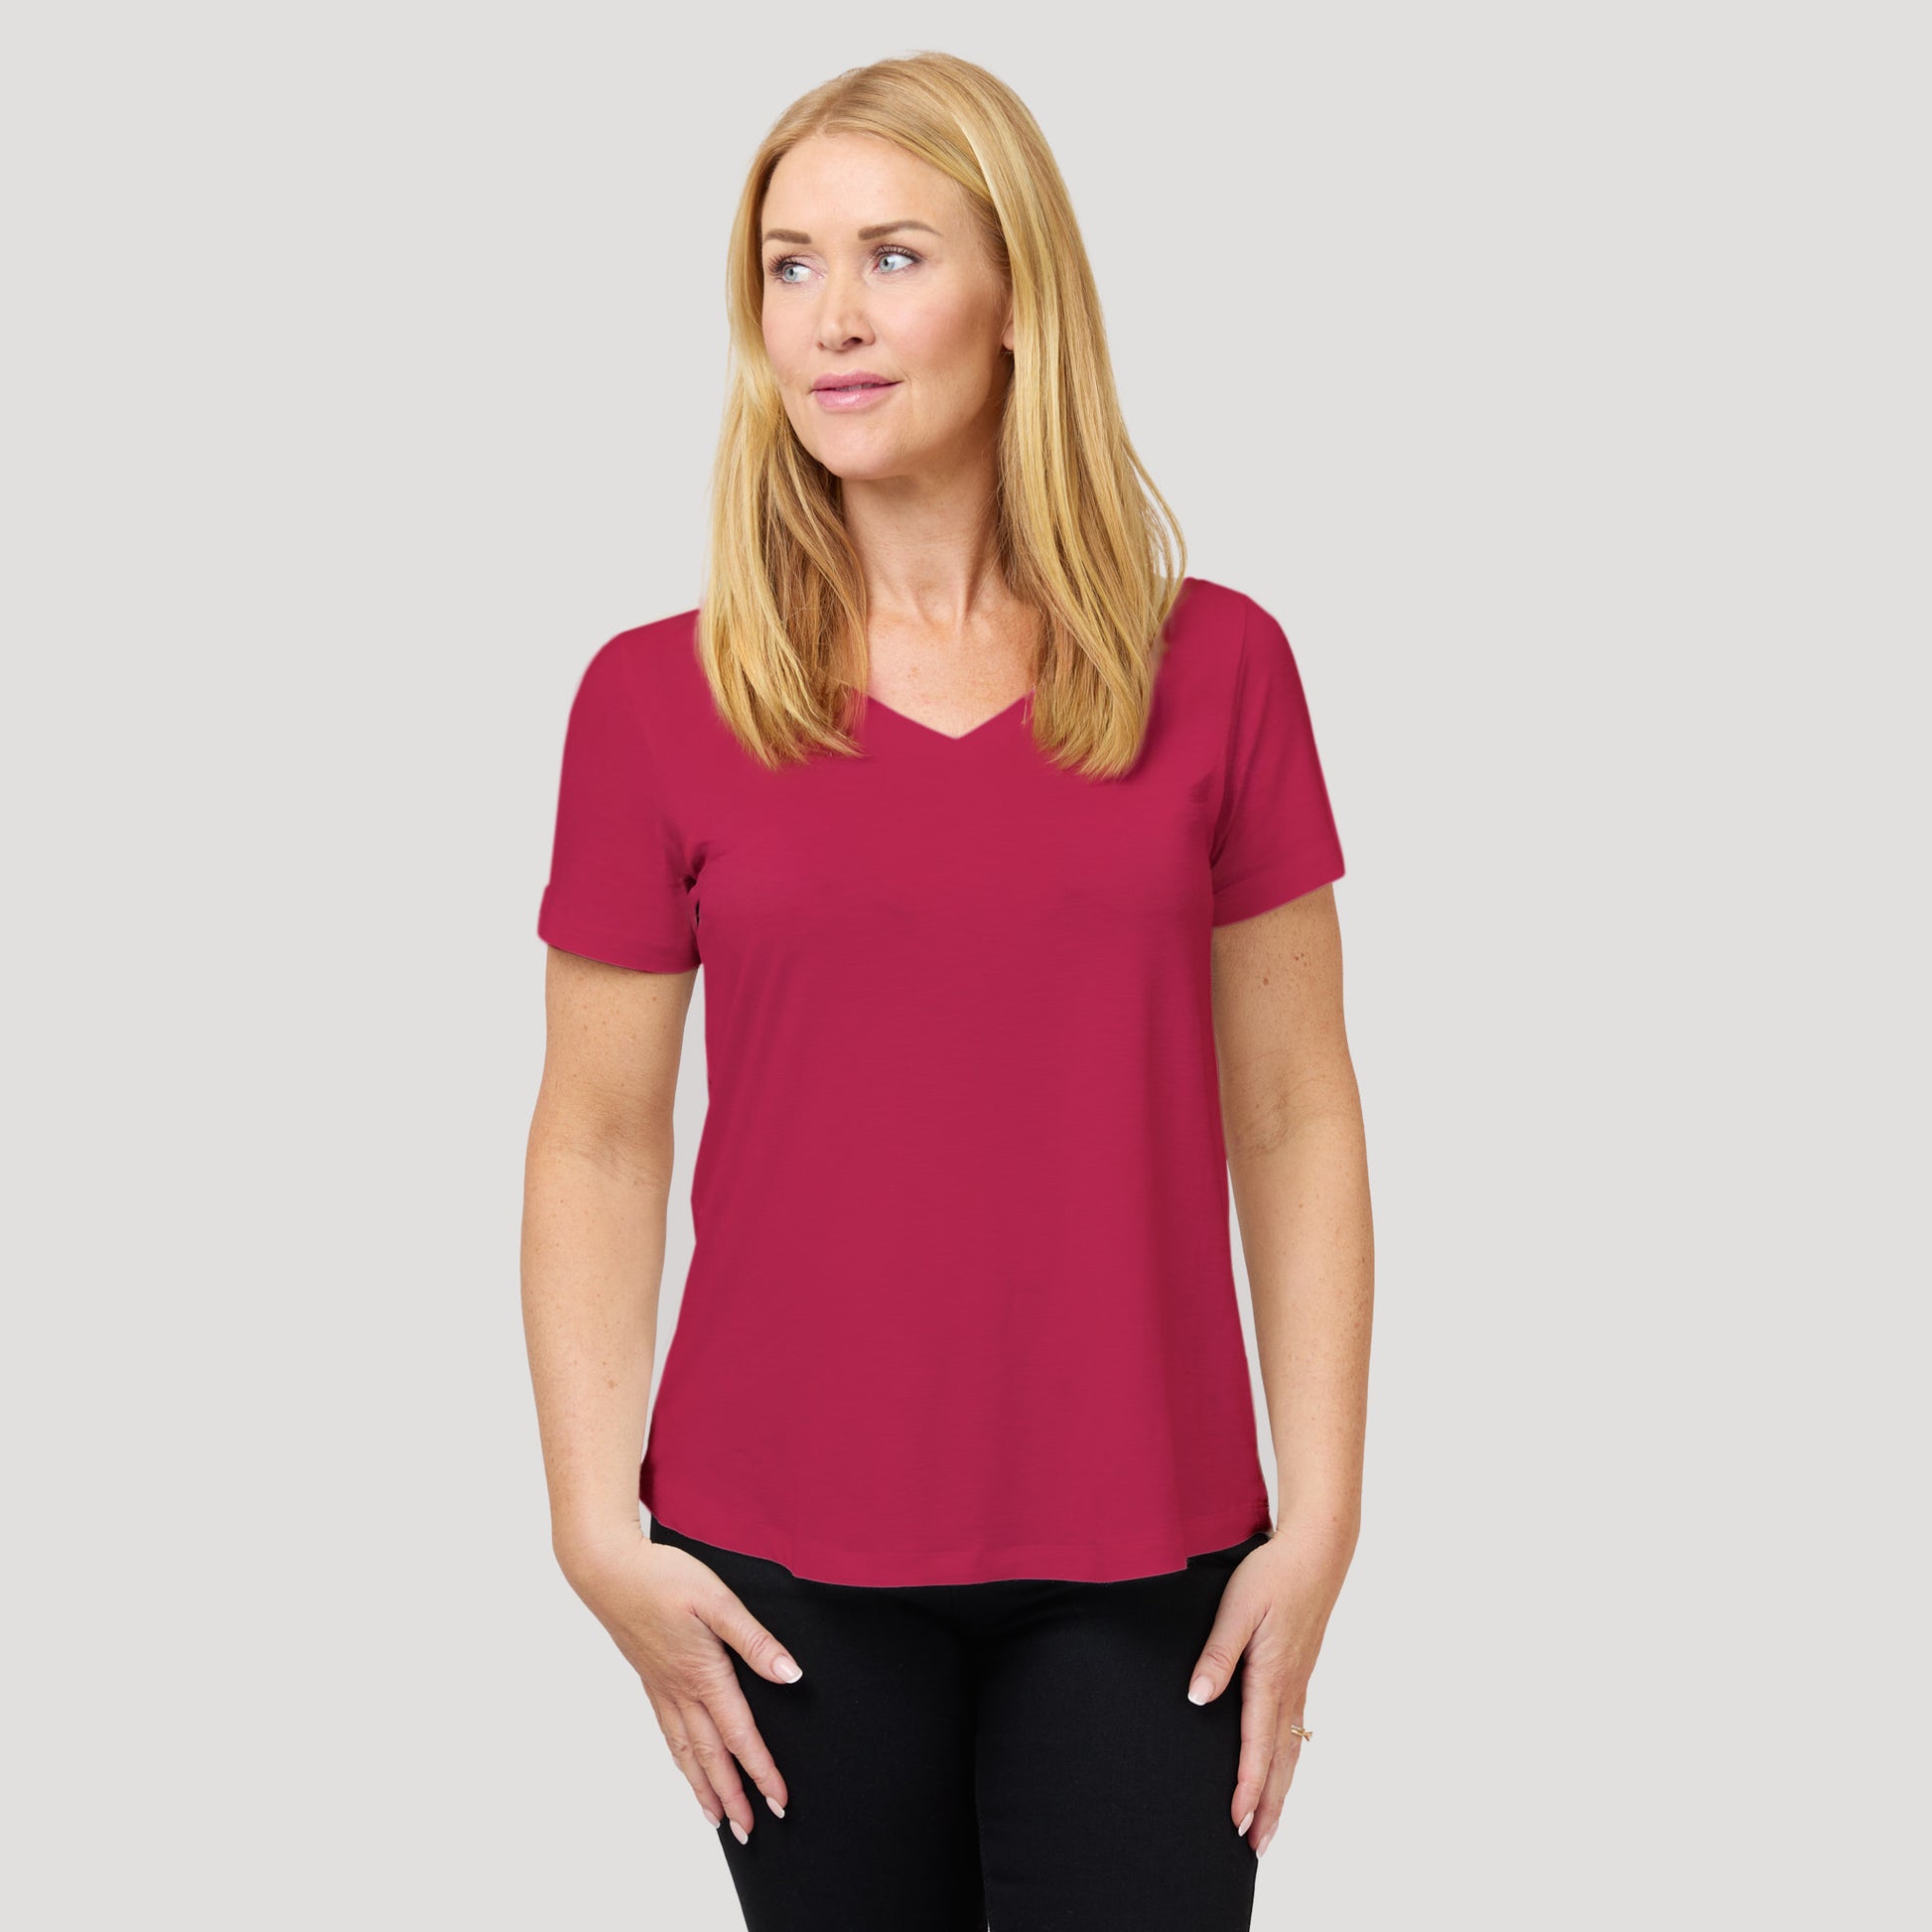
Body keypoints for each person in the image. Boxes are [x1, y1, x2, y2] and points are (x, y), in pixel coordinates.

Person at [520, 50, 1373, 1932]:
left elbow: (1295, 1107)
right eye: (788, 265)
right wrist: (591, 1524)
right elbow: (595, 1136)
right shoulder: (653, 699)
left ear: (1016, 299)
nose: (827, 317)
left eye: (892, 256)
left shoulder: (1218, 668)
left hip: (1152, 1548)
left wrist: (1320, 1515)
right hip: (778, 1564)